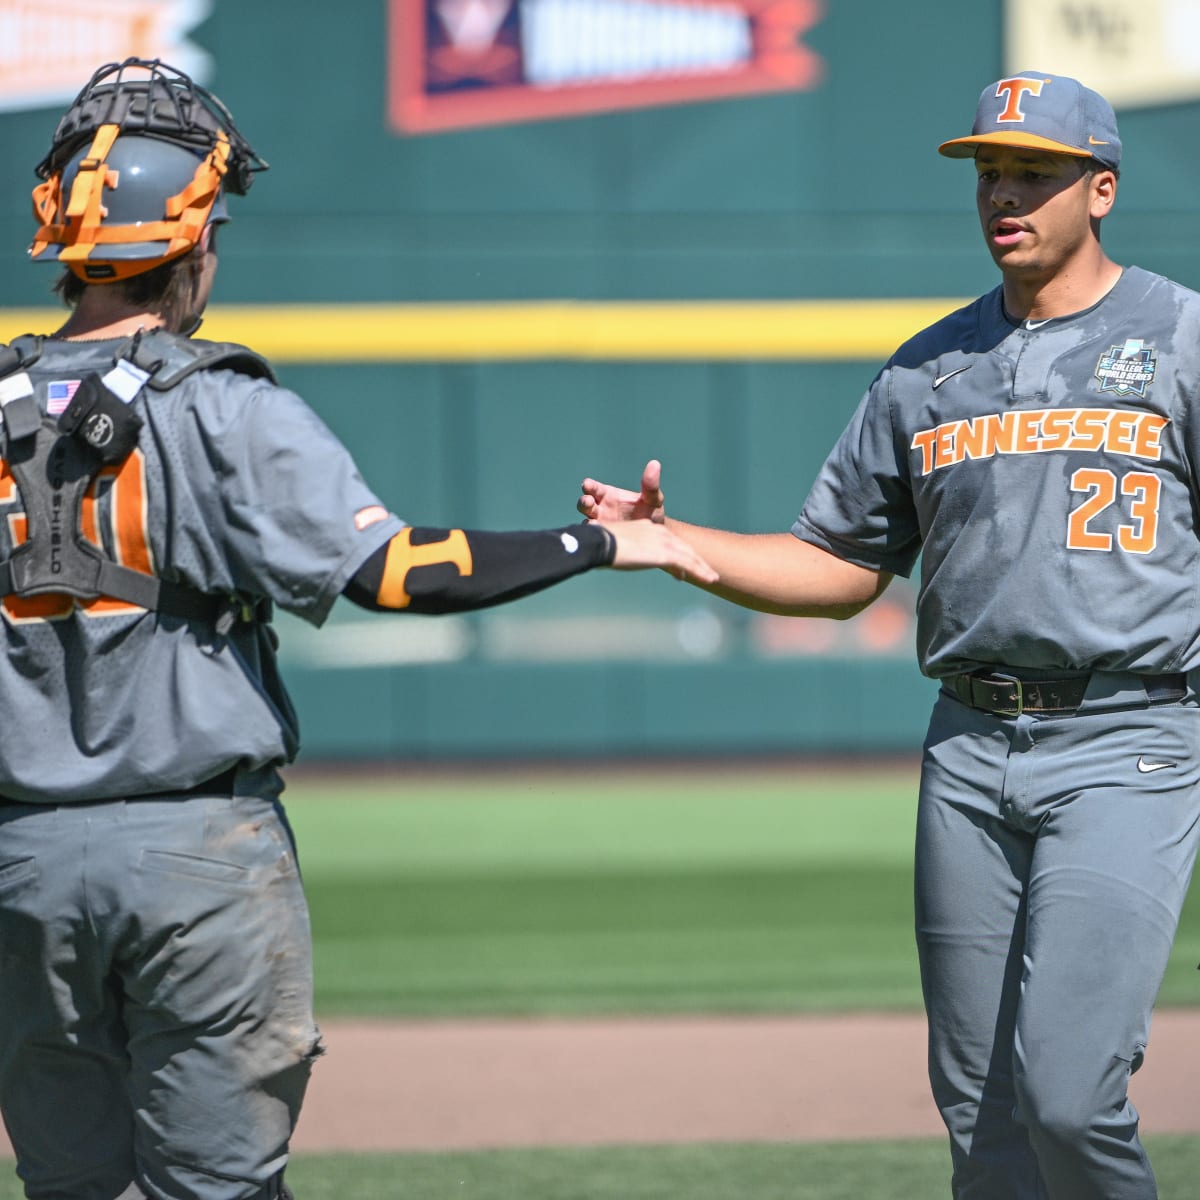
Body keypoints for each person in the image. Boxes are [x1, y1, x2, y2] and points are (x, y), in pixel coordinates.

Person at [0, 57, 716, 1200]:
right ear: (194, 243)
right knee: (218, 1189)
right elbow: (399, 573)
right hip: (194, 856)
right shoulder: (224, 404)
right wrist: (596, 543)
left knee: (71, 1188)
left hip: (22, 863)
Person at [579, 71, 1200, 1199]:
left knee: (1068, 1093)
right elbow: (841, 567)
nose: (1003, 193)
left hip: (1130, 741)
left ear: (1100, 188)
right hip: (967, 747)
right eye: (988, 170)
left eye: (1034, 172)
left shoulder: (1180, 337)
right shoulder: (930, 369)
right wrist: (683, 547)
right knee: (981, 1114)